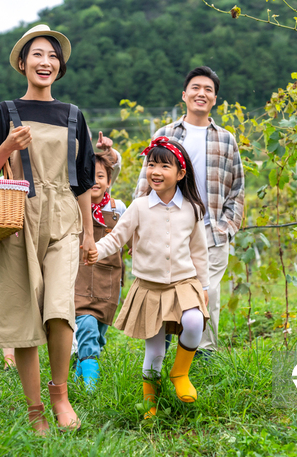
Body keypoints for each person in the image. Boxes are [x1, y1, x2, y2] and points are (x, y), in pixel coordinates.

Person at [0, 24, 96, 433]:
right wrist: (8, 147)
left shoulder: (73, 115)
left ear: (60, 67)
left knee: (60, 310)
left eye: (53, 56)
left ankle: (61, 394)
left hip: (62, 217)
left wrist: (89, 234)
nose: (46, 62)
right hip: (16, 219)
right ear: (23, 63)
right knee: (23, 315)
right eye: (38, 55)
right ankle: (34, 409)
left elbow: (83, 181)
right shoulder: (4, 112)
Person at [88, 137, 209, 418]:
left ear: (180, 173)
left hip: (183, 283)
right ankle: (150, 404)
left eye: (164, 166)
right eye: (151, 164)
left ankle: (180, 373)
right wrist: (95, 250)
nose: (155, 171)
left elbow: (199, 251)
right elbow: (116, 238)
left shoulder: (191, 209)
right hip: (150, 287)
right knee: (154, 348)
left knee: (194, 321)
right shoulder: (139, 207)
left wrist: (203, 286)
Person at [134, 66, 245, 358]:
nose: (202, 93)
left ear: (215, 100)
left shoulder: (226, 139)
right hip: (167, 228)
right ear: (184, 95)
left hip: (211, 232)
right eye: (196, 87)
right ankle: (160, 357)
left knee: (208, 296)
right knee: (164, 290)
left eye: (208, 89)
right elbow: (144, 185)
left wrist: (226, 227)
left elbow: (237, 189)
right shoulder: (165, 134)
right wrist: (139, 230)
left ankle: (203, 359)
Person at [73, 149, 127, 391]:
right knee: (85, 324)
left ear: (109, 181)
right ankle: (91, 382)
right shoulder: (73, 207)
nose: (95, 181)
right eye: (89, 175)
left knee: (98, 334)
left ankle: (80, 370)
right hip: (80, 278)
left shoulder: (119, 209)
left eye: (101, 176)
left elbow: (130, 239)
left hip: (109, 280)